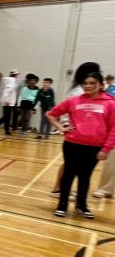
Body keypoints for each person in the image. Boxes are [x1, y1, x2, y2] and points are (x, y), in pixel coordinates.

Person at [46, 70, 115, 219]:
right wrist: (61, 128)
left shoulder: (110, 104)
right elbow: (51, 114)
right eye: (85, 83)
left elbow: (113, 128)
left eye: (92, 83)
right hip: (72, 145)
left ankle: (81, 206)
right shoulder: (73, 100)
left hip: (94, 148)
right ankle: (62, 204)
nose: (88, 86)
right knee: (68, 175)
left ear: (100, 84)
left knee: (85, 176)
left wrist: (106, 149)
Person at [0, 69, 20, 135]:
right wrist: (6, 100)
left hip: (7, 100)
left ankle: (5, 129)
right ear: (15, 74)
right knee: (6, 117)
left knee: (6, 117)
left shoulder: (7, 80)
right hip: (8, 101)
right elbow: (8, 90)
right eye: (17, 74)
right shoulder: (12, 81)